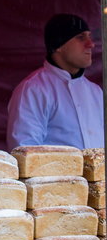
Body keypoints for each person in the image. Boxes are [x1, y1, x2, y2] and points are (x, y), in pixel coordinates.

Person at [6, 13, 104, 150]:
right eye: (80, 38)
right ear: (58, 45)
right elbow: (25, 151)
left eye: (89, 37)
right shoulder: (33, 89)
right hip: (54, 172)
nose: (91, 44)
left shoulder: (96, 92)